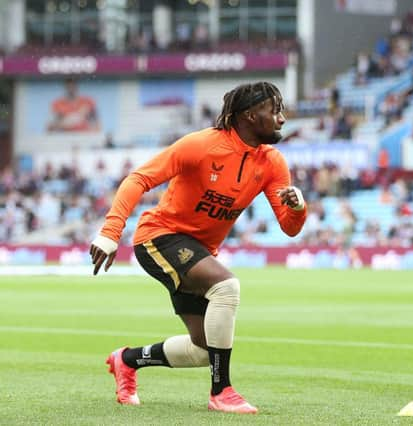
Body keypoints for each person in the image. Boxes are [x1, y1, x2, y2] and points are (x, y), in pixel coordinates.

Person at [89, 82, 307, 414]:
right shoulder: (202, 145)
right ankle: (222, 392)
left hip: (198, 250)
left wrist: (298, 207)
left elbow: (290, 228)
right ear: (250, 115)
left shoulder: (272, 163)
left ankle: (127, 360)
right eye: (274, 110)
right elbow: (139, 178)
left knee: (205, 349)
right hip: (159, 237)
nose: (281, 119)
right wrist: (110, 231)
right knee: (226, 287)